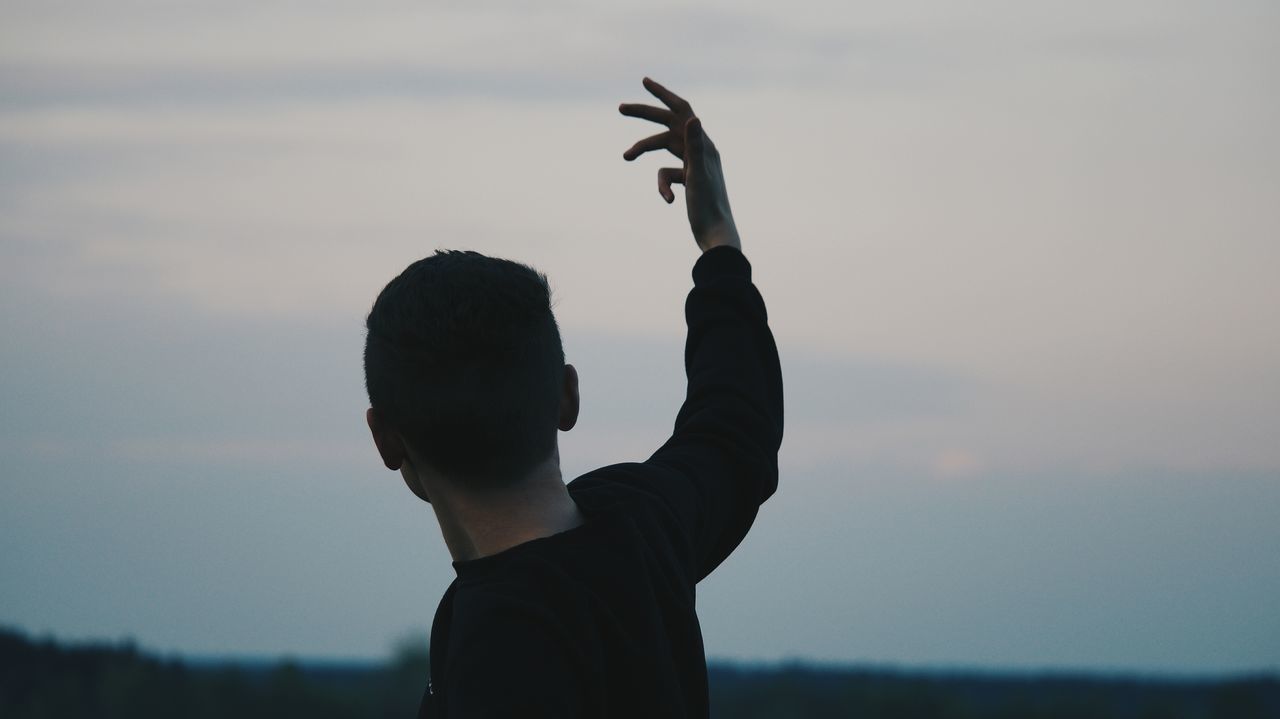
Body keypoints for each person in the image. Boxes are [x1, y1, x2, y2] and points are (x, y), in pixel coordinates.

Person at [363, 77, 783, 718]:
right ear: (567, 396)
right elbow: (733, 430)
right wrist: (719, 241)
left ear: (386, 439)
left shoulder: (498, 648)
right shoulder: (643, 527)